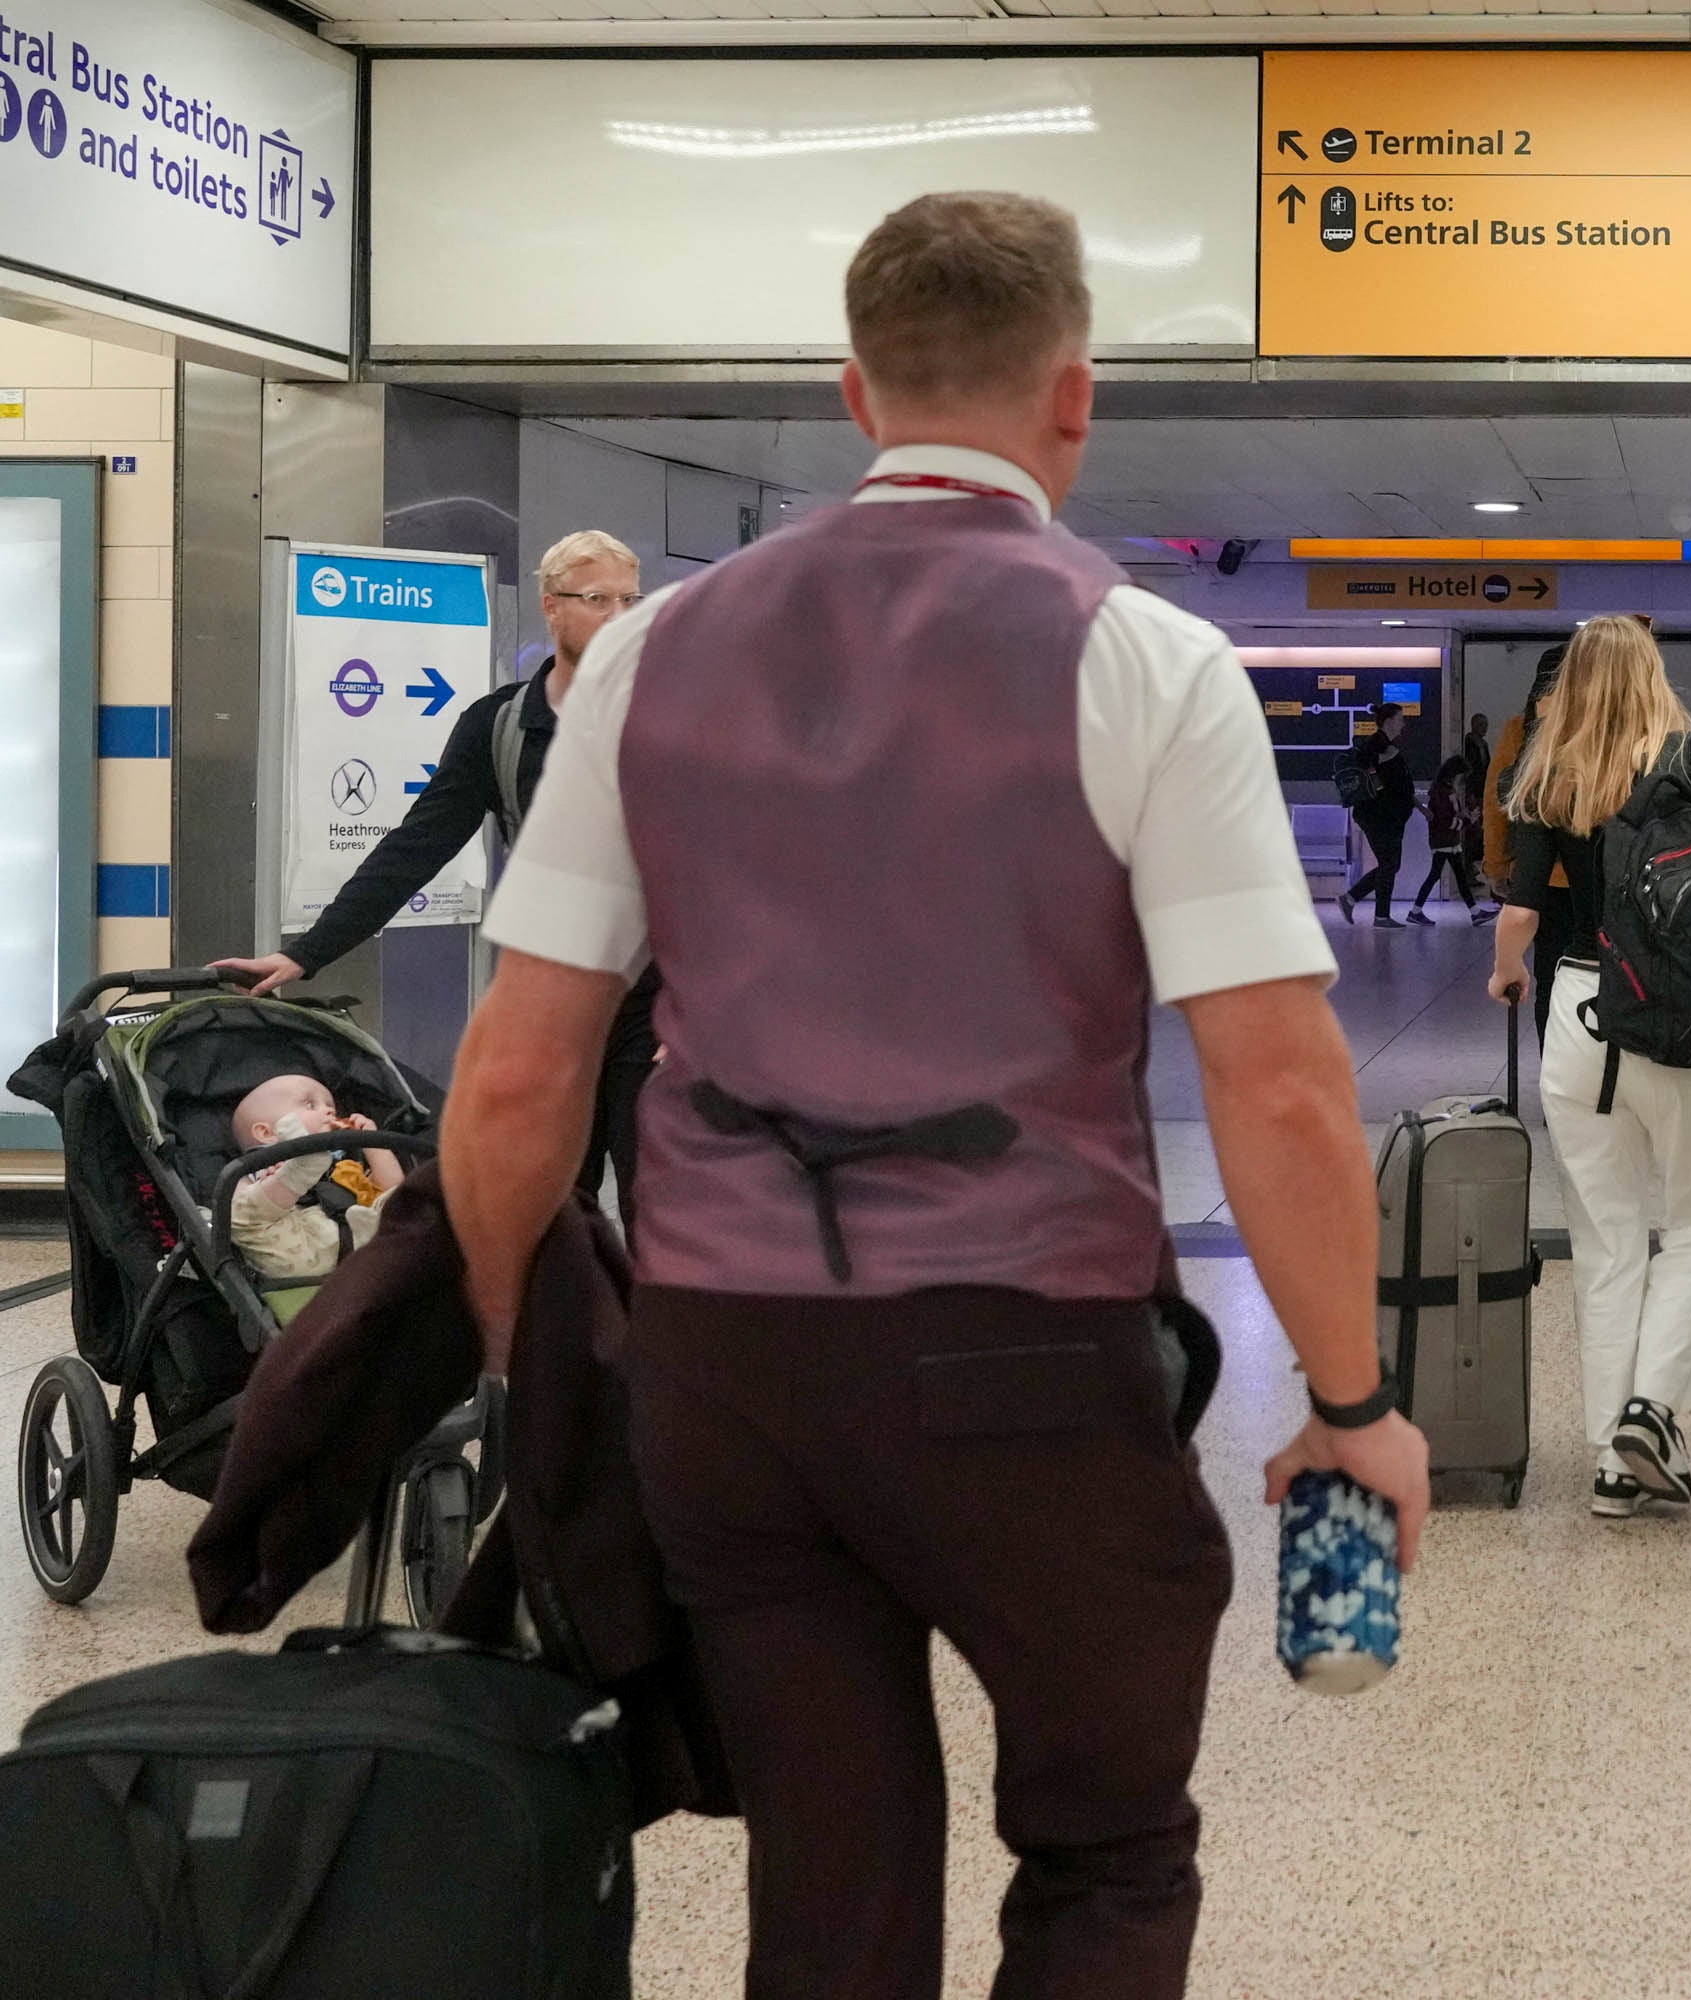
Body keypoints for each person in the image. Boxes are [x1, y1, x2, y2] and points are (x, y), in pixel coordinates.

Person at [435, 191, 1429, 2000]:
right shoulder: (1145, 660)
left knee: (830, 1880)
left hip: (730, 1364)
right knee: (1108, 1843)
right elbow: (1277, 1084)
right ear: (1076, 397)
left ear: (854, 389)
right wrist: (1349, 1400)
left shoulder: (653, 652)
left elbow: (518, 1069)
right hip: (1024, 1361)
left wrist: (524, 1357)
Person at [215, 528, 663, 1233]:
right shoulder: (501, 727)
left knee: (659, 1206)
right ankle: (561, 1339)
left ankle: (657, 1342)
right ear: (552, 606)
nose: (619, 615)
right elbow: (416, 847)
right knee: (551, 1205)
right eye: (597, 598)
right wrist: (308, 952)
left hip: (658, 998)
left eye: (630, 600)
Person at [1488, 615, 1691, 1518]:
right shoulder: (1682, 756)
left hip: (1579, 1017)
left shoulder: (1546, 766)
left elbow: (1517, 915)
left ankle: (1618, 1461)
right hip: (1674, 1018)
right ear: (1652, 672)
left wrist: (1508, 973)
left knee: (1606, 1239)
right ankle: (1650, 1413)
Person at [226, 1075, 405, 1282]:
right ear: (266, 1133)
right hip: (294, 1245)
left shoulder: (343, 1162)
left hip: (360, 1238)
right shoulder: (255, 1165)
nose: (330, 1111)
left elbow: (393, 1188)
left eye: (332, 1107)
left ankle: (305, 1165)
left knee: (399, 1201)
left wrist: (371, 1141)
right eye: (310, 1104)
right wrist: (276, 1176)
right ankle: (300, 1168)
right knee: (242, 1212)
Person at [1483, 646, 1572, 1039]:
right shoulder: (1605, 730)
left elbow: (1496, 802)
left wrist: (1498, 866)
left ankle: (1554, 1068)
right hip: (1602, 881)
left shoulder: (1521, 730)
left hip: (1542, 882)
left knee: (1551, 975)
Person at [1336, 701, 1418, 928]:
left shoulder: (1387, 744)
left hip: (1389, 817)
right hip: (1379, 816)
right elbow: (1366, 763)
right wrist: (1385, 758)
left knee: (1390, 864)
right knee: (1389, 863)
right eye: (1401, 719)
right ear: (1390, 721)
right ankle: (1379, 915)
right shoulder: (1376, 744)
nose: (1403, 724)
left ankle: (1352, 899)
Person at [1407, 749, 1489, 924]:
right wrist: (1468, 821)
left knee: (1446, 875)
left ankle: (1474, 912)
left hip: (1445, 840)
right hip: (1445, 840)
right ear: (1455, 774)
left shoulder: (1443, 790)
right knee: (1447, 876)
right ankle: (1474, 913)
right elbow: (1446, 820)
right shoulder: (1443, 793)